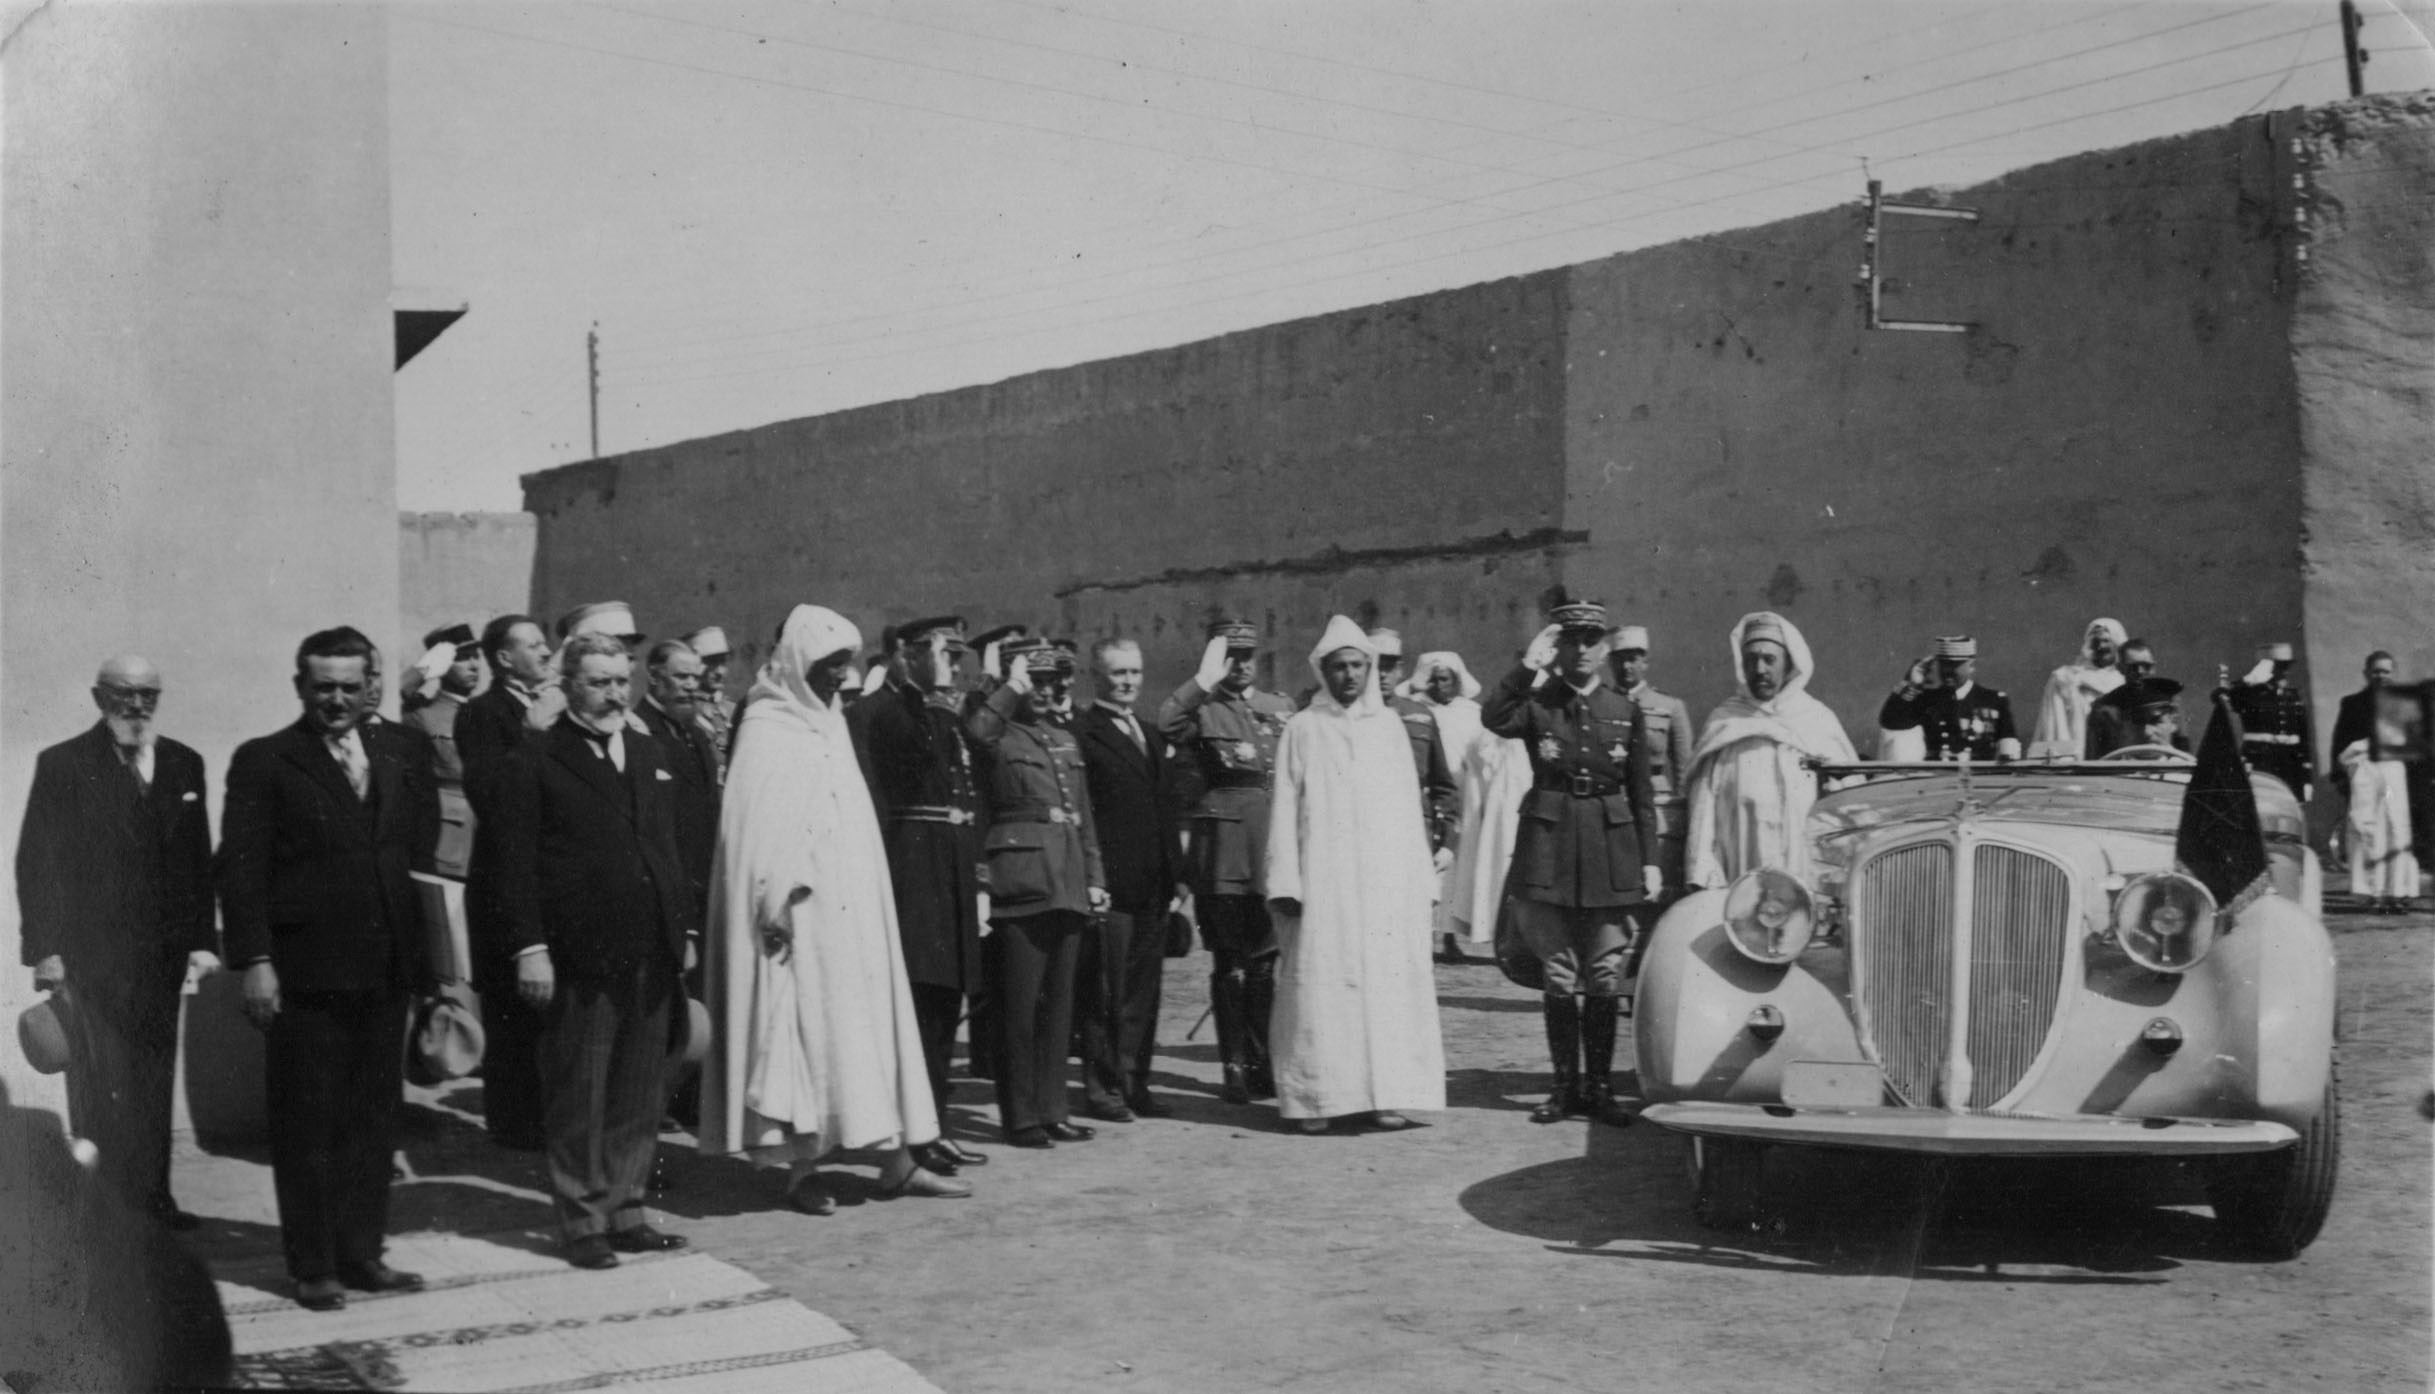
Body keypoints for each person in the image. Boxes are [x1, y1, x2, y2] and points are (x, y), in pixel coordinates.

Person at [698, 605, 971, 1212]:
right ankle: (803, 1170)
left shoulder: (831, 723)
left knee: (867, 1032)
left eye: (844, 667)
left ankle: (896, 1162)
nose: (836, 679)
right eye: (826, 666)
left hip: (853, 917)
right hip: (797, 919)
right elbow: (752, 830)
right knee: (806, 1040)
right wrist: (773, 900)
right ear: (798, 659)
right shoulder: (768, 724)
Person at [217, 627, 439, 1310]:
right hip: (305, 971)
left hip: (386, 967)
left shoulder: (404, 750)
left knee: (374, 1119)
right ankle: (313, 1264)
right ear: (299, 687)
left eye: (349, 686)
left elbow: (420, 857)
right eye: (322, 687)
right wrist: (256, 960)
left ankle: (362, 1253)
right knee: (308, 1121)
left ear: (371, 684)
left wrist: (430, 964)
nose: (336, 700)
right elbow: (240, 870)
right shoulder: (266, 761)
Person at [493, 633, 697, 1270]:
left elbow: (668, 849)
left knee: (640, 1088)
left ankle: (627, 1206)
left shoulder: (648, 749)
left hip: (651, 947)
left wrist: (683, 931)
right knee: (580, 1088)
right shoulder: (537, 758)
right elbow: (514, 865)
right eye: (596, 682)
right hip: (578, 951)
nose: (612, 693)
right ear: (567, 686)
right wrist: (531, 948)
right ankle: (582, 1218)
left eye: (619, 681)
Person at [15, 655, 220, 1229]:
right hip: (92, 956)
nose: (136, 706)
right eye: (123, 694)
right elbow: (38, 861)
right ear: (98, 696)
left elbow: (196, 862)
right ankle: (105, 1205)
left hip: (161, 958)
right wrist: (45, 951)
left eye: (147, 695)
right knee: (100, 1083)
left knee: (154, 1078)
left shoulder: (184, 763)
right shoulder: (63, 764)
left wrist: (202, 942)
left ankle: (155, 1199)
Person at [1480, 600, 1660, 1127]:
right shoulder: (1539, 705)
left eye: (1591, 639)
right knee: (1559, 973)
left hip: (1611, 850)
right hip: (1551, 847)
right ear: (1558, 647)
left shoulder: (1625, 710)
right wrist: (1526, 668)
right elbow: (1493, 717)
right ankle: (1563, 1087)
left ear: (1604, 648)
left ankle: (1599, 1088)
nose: (1581, 649)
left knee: (1605, 973)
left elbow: (1642, 795)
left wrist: (1650, 861)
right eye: (1571, 639)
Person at [1265, 617, 1447, 1134]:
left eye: (1357, 666)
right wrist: (1285, 882)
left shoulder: (1389, 728)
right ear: (1323, 671)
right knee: (1322, 987)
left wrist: (1420, 882)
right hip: (1323, 884)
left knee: (1384, 989)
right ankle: (1315, 1100)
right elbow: (1283, 809)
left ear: (1370, 670)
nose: (1348, 676)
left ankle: (1385, 1095)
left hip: (1384, 885)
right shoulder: (1302, 728)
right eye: (1339, 666)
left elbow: (1409, 812)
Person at [851, 615, 989, 1175]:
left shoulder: (937, 713)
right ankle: (910, 1132)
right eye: (940, 655)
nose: (952, 666)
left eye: (954, 656)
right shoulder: (880, 712)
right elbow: (915, 758)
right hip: (912, 873)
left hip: (947, 869)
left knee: (942, 1006)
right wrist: (924, 690)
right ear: (905, 656)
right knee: (918, 1006)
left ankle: (933, 1125)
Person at [966, 639, 1109, 1148]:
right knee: (1020, 1007)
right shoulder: (998, 729)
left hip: (1067, 879)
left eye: (1054, 681)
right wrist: (1009, 690)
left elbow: (1083, 815)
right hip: (1020, 880)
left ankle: (1053, 1109)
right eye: (1037, 681)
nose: (1047, 691)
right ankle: (1021, 1116)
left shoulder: (1063, 739)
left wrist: (1095, 878)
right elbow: (976, 729)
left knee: (1058, 1006)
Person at [1159, 618, 1296, 1106]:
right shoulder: (1203, 711)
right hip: (1223, 854)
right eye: (1231, 656)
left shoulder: (1280, 709)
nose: (1241, 665)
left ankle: (1264, 1063)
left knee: (1265, 966)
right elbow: (1166, 721)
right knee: (1230, 964)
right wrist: (1202, 681)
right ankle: (1233, 1064)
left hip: (1271, 850)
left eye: (1247, 655)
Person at [455, 613, 565, 1151]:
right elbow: (492, 796)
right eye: (535, 645)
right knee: (511, 1017)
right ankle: (515, 1130)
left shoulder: (553, 702)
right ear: (504, 658)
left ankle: (543, 1120)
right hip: (504, 886)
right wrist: (534, 732)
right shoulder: (482, 714)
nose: (547, 653)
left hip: (550, 883)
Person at [1073, 638, 1188, 1121]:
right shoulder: (1084, 731)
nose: (1128, 683)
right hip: (1112, 884)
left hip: (1153, 885)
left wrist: (1179, 879)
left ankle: (1135, 1081)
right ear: (1097, 677)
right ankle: (1102, 1088)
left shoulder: (1148, 733)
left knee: (1145, 991)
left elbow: (1166, 808)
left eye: (1135, 673)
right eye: (1118, 674)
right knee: (1106, 992)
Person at [1683, 612, 1858, 891]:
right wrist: (1703, 879)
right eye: (1751, 660)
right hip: (1741, 883)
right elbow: (1702, 816)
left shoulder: (1818, 722)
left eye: (1769, 659)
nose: (1760, 669)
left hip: (1808, 880)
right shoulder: (1725, 723)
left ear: (1789, 664)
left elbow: (1849, 807)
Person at [635, 638, 724, 1143]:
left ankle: (681, 1101)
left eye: (696, 677)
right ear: (655, 678)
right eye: (680, 677)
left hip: (700, 885)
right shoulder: (642, 731)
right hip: (664, 892)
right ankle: (651, 1112)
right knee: (666, 1012)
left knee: (695, 1006)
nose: (692, 685)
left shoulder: (695, 733)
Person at [1609, 625, 1695, 945]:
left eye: (1633, 659)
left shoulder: (1670, 708)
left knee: (1654, 890)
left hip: (1656, 809)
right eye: (1619, 659)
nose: (1626, 667)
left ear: (1645, 662)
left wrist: (1681, 821)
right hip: (1613, 803)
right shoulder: (1600, 703)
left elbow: (1684, 771)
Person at [1369, 630, 1460, 926]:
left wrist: (1447, 841)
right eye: (1374, 665)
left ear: (1400, 670)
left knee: (1410, 924)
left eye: (1389, 666)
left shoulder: (1418, 716)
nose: (1382, 674)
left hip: (1414, 833)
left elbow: (1442, 784)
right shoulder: (1347, 718)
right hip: (1365, 834)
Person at [1406, 652, 1489, 960]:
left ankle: (1451, 937)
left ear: (1457, 681)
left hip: (1463, 796)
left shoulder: (1471, 713)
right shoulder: (1416, 712)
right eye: (1435, 679)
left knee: (1456, 866)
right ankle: (1423, 935)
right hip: (1426, 795)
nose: (1440, 685)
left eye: (1446, 679)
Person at [2332, 651, 2417, 912]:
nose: (2381, 675)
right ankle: (2371, 893)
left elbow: (2416, 746)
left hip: (2394, 773)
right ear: (2367, 673)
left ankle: (2397, 892)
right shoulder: (2352, 703)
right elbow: (2339, 741)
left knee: (2395, 829)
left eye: (2386, 671)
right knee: (2367, 828)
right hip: (2364, 773)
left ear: (2393, 674)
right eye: (2377, 671)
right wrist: (2340, 778)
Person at [404, 624, 482, 878]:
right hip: (453, 836)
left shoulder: (487, 712)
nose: (474, 665)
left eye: (475, 657)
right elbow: (386, 701)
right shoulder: (421, 716)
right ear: (442, 665)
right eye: (462, 658)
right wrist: (425, 668)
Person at [1876, 635, 2021, 762]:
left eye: (1954, 665)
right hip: (1937, 784)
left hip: (1980, 783)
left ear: (1971, 664)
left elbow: (2008, 749)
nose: (1947, 671)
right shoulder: (1927, 699)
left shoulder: (1993, 700)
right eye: (1943, 664)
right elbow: (1890, 721)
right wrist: (1912, 684)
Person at [2029, 617, 2127, 758]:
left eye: (2106, 641)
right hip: (2076, 760)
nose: (2101, 647)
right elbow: (2055, 726)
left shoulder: (2124, 682)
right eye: (2095, 642)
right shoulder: (2066, 678)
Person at [2231, 642, 2316, 800]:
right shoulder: (2250, 693)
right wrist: (2248, 679)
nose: (2284, 672)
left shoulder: (2293, 695)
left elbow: (2303, 736)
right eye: (2279, 666)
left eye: (2286, 666)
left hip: (2291, 762)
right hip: (2262, 760)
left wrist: (2306, 774)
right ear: (2266, 667)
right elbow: (2225, 696)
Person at [2083, 638, 2174, 757]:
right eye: (2133, 667)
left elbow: (2183, 751)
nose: (2140, 671)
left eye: (2147, 666)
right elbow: (2093, 756)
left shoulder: (2170, 701)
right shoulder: (2104, 708)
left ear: (2154, 667)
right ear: (2120, 669)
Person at [680, 625, 737, 760]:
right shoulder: (684, 711)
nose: (719, 672)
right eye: (712, 663)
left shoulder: (732, 710)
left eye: (723, 663)